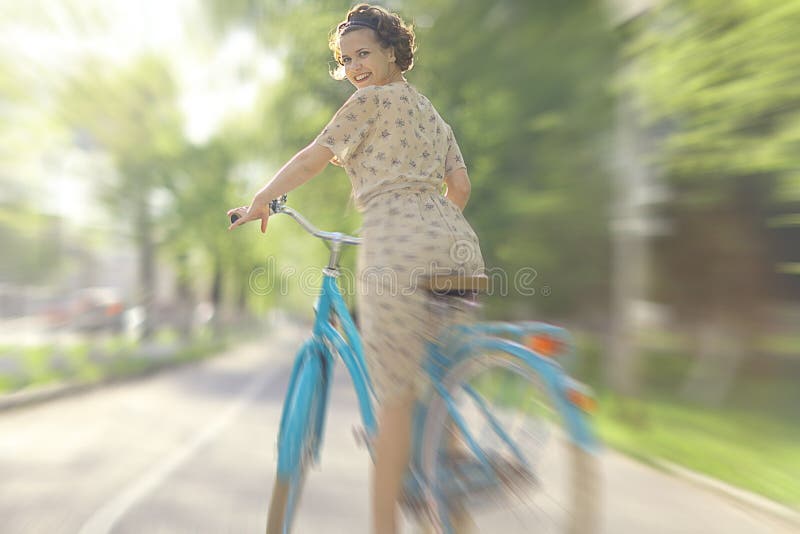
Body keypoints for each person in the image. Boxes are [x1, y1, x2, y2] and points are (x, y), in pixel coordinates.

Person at [227, 4, 483, 533]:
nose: (355, 67)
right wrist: (431, 223)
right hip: (457, 244)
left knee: (393, 398)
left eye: (364, 53)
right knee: (438, 384)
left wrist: (261, 198)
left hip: (395, 241)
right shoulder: (434, 116)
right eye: (346, 60)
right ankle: (456, 518)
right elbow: (460, 189)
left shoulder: (367, 104)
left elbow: (312, 159)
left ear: (394, 52)